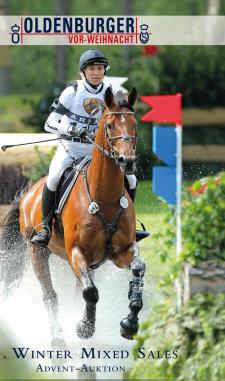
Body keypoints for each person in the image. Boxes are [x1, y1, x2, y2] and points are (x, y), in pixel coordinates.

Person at [31, 49, 149, 247]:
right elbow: (49, 123)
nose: (96, 73)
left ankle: (130, 226)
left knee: (131, 178)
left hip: (99, 151)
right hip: (71, 148)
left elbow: (121, 117)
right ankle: (45, 227)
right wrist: (70, 129)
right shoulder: (72, 92)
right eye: (92, 69)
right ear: (83, 72)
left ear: (105, 71)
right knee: (53, 178)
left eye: (100, 69)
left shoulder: (112, 91)